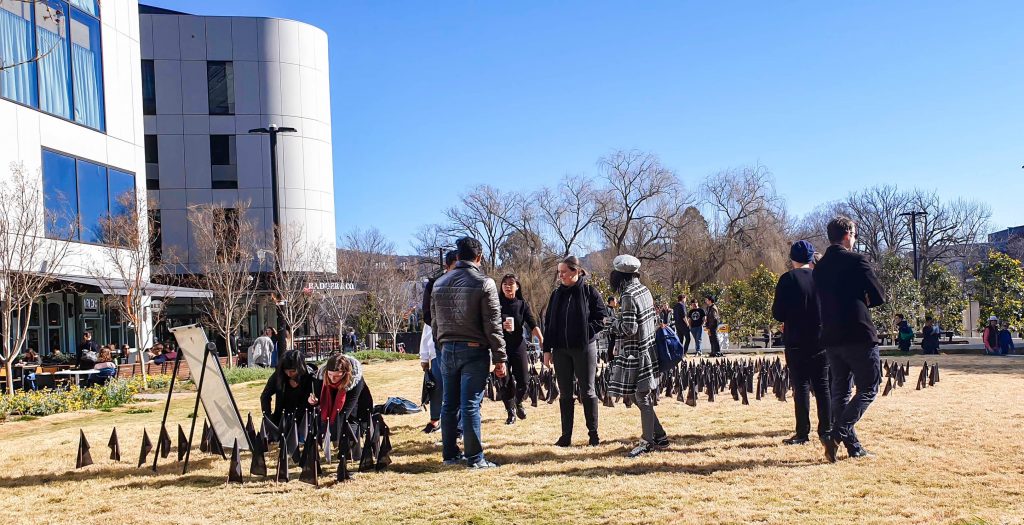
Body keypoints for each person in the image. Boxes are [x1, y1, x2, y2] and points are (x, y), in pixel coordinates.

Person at [813, 216, 886, 462]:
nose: (854, 239)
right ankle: (837, 434)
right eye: (854, 234)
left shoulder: (820, 266)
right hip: (858, 332)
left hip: (831, 336)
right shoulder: (856, 260)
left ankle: (853, 446)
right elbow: (878, 294)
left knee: (840, 392)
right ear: (847, 235)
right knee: (869, 387)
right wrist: (864, 299)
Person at [430, 236, 507, 469]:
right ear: (479, 257)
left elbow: (434, 322)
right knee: (470, 404)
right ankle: (475, 458)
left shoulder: (439, 283)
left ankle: (450, 454)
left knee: (448, 404)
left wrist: (440, 345)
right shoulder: (485, 283)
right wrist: (500, 357)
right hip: (474, 349)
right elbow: (493, 323)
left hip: (447, 347)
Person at [606, 255, 667, 458]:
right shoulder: (644, 290)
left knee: (641, 395)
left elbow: (629, 328)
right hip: (647, 349)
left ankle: (647, 442)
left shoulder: (628, 295)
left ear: (619, 275)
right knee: (638, 394)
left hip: (636, 352)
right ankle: (659, 435)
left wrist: (610, 323)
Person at [772, 240, 831, 447]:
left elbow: (778, 313)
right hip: (821, 339)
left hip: (796, 339)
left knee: (801, 386)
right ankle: (826, 429)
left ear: (792, 259)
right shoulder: (822, 279)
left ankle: (802, 432)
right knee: (823, 386)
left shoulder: (787, 279)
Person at [543, 255, 606, 447]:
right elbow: (549, 324)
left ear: (575, 271)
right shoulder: (556, 294)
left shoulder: (589, 291)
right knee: (565, 393)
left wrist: (587, 333)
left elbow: (601, 317)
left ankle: (593, 434)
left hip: (584, 348)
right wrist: (547, 350)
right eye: (559, 272)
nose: (560, 275)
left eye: (563, 272)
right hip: (561, 350)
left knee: (587, 391)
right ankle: (565, 436)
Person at [420, 249, 458, 434]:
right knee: (438, 387)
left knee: (459, 388)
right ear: (447, 266)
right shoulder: (434, 285)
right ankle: (436, 420)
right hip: (439, 346)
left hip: (463, 344)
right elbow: (427, 319)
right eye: (456, 267)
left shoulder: (468, 284)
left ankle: (457, 427)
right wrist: (424, 355)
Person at [498, 273, 543, 425]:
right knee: (505, 381)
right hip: (501, 347)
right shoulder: (496, 304)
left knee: (524, 380)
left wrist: (541, 340)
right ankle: (510, 412)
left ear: (517, 287)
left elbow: (532, 324)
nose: (508, 286)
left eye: (511, 283)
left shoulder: (522, 305)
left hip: (518, 345)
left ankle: (517, 402)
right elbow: (487, 322)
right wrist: (500, 325)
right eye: (505, 283)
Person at [260, 350, 316, 426]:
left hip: (305, 421)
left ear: (300, 368)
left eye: (293, 371)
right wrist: (268, 418)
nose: (289, 374)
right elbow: (265, 396)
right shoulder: (279, 375)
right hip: (282, 419)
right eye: (286, 371)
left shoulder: (311, 377)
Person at [313, 353, 366, 430]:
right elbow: (318, 400)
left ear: (345, 373)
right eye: (330, 374)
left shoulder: (354, 381)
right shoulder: (321, 376)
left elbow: (346, 411)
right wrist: (314, 402)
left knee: (347, 431)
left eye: (337, 376)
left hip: (355, 407)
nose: (332, 379)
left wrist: (332, 430)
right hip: (330, 409)